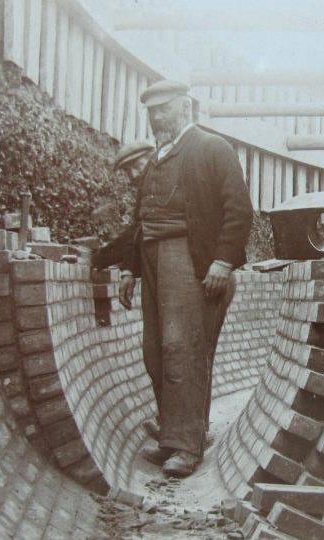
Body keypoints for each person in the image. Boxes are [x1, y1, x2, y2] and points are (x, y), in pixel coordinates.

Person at [118, 80, 252, 477]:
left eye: (164, 109)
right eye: (151, 112)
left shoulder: (212, 149)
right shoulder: (157, 159)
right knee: (154, 350)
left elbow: (239, 209)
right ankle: (173, 436)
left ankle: (186, 446)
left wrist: (223, 261)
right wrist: (130, 268)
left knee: (183, 349)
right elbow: (138, 221)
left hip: (189, 260)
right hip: (152, 258)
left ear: (185, 108)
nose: (157, 117)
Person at [91, 141, 156, 272]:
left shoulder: (157, 188)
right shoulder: (145, 190)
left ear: (152, 161)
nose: (133, 174)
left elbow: (138, 232)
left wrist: (100, 257)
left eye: (138, 166)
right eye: (127, 171)